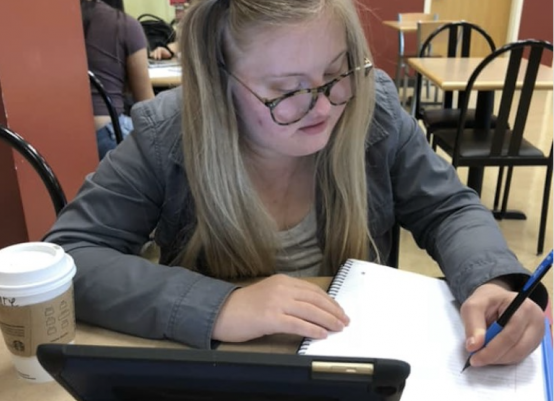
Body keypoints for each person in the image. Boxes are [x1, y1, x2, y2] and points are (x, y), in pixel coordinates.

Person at [46, 0, 547, 367]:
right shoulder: (166, 134)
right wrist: (219, 306)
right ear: (222, 83)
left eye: (337, 72)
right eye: (287, 90)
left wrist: (489, 277)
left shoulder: (374, 111)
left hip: (349, 368)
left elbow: (448, 209)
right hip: (218, 375)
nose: (326, 106)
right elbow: (71, 256)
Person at [81, 0, 154, 160]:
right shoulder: (124, 24)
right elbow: (147, 105)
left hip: (62, 135)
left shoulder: (53, 22)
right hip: (106, 131)